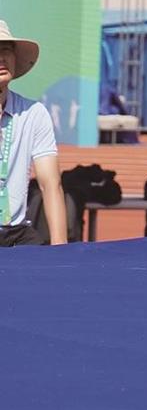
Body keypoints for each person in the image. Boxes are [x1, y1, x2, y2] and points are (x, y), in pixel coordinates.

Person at [0, 21, 65, 246]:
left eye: (6, 50)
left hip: (17, 233)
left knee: (48, 273)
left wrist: (61, 248)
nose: (1, 58)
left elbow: (50, 184)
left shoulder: (34, 113)